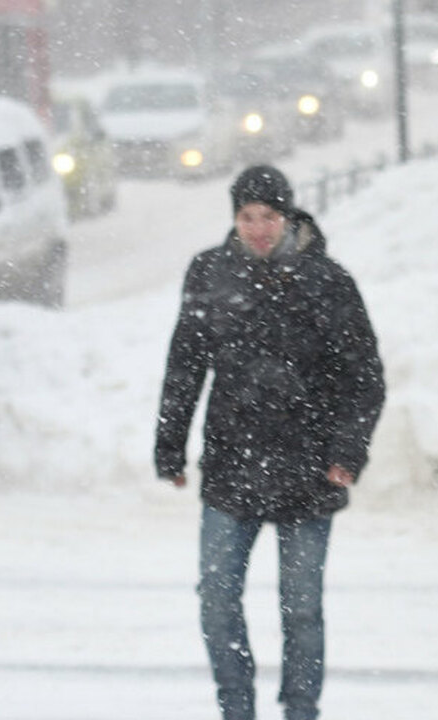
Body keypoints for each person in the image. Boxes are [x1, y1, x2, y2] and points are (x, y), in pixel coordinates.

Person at [154, 165, 386, 720]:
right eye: (247, 216)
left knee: (301, 608)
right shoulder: (210, 273)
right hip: (232, 465)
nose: (258, 228)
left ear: (288, 217)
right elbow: (185, 365)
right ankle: (236, 706)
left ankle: (301, 708)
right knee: (215, 599)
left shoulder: (327, 281)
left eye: (269, 217)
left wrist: (347, 452)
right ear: (234, 217)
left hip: (310, 468)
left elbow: (365, 376)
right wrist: (170, 445)